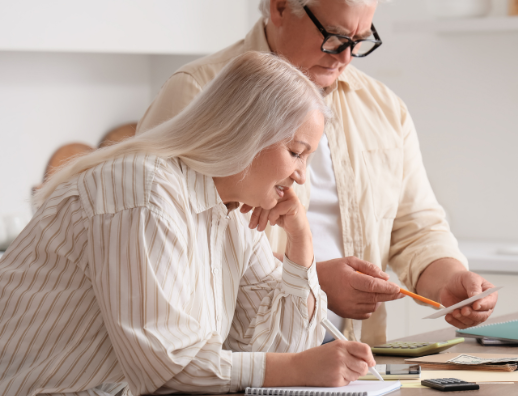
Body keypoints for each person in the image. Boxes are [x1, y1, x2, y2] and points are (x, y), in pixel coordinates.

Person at [137, 0, 498, 345]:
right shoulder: (196, 92)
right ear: (280, 7)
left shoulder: (384, 109)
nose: (345, 57)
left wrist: (450, 279)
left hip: (355, 357)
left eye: (359, 41)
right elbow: (162, 239)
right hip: (236, 360)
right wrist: (309, 278)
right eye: (335, 36)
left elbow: (417, 228)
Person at [0, 52, 376, 396]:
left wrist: (300, 240)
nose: (301, 176)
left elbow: (278, 347)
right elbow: (166, 366)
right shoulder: (144, 190)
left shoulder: (235, 213)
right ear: (247, 132)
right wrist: (295, 368)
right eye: (296, 153)